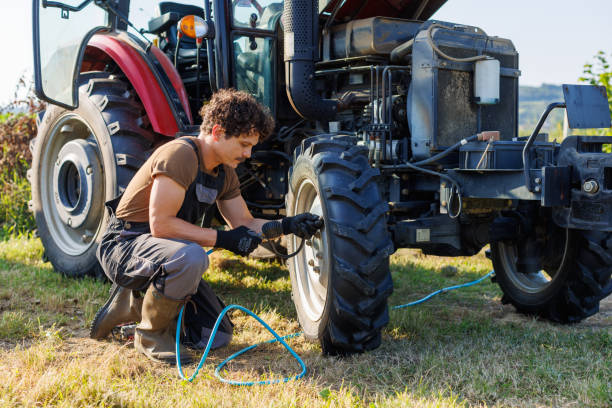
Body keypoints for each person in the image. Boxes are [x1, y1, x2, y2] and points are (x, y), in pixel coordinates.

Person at [90, 89, 322, 363]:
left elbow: (244, 223)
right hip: (124, 245)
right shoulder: (181, 155)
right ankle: (150, 334)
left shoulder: (225, 172)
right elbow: (161, 225)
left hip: (160, 251)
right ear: (217, 131)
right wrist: (223, 240)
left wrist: (288, 225)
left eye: (252, 146)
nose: (248, 154)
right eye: (243, 144)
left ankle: (130, 305)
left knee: (215, 334)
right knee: (191, 257)